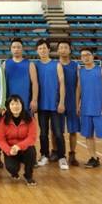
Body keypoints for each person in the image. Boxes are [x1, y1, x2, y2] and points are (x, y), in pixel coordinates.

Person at [77, 47, 102, 173]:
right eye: (83, 55)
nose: (85, 57)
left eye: (88, 55)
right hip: (85, 109)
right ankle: (93, 158)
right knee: (88, 135)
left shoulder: (101, 70)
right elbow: (79, 89)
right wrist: (77, 105)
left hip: (100, 109)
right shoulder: (80, 72)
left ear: (93, 56)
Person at [35, 39, 67, 170]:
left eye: (44, 48)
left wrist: (62, 102)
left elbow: (62, 84)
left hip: (55, 105)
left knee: (58, 133)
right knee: (43, 133)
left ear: (49, 49)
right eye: (40, 48)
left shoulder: (57, 65)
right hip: (41, 106)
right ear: (37, 51)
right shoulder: (35, 65)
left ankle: (62, 157)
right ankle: (44, 155)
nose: (42, 50)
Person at [0, 95, 38, 186]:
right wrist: (9, 150)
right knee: (12, 168)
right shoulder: (3, 121)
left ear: (22, 105)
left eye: (17, 103)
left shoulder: (30, 119)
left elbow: (32, 138)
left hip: (24, 149)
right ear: (8, 107)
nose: (15, 106)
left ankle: (28, 175)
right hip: (10, 150)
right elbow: (0, 140)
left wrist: (19, 146)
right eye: (12, 104)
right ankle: (14, 171)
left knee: (31, 151)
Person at [56, 40, 80, 166]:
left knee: (73, 130)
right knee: (56, 130)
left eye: (66, 47)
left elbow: (79, 86)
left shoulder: (76, 66)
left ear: (70, 50)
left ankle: (72, 154)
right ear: (57, 50)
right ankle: (56, 152)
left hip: (72, 101)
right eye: (61, 47)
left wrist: (78, 103)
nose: (63, 49)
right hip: (58, 102)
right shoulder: (54, 65)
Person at [3, 38, 38, 115]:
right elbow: (2, 85)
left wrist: (34, 100)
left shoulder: (30, 64)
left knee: (25, 121)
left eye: (18, 47)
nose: (16, 49)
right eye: (14, 47)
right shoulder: (5, 64)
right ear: (10, 49)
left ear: (22, 49)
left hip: (25, 100)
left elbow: (35, 83)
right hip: (10, 100)